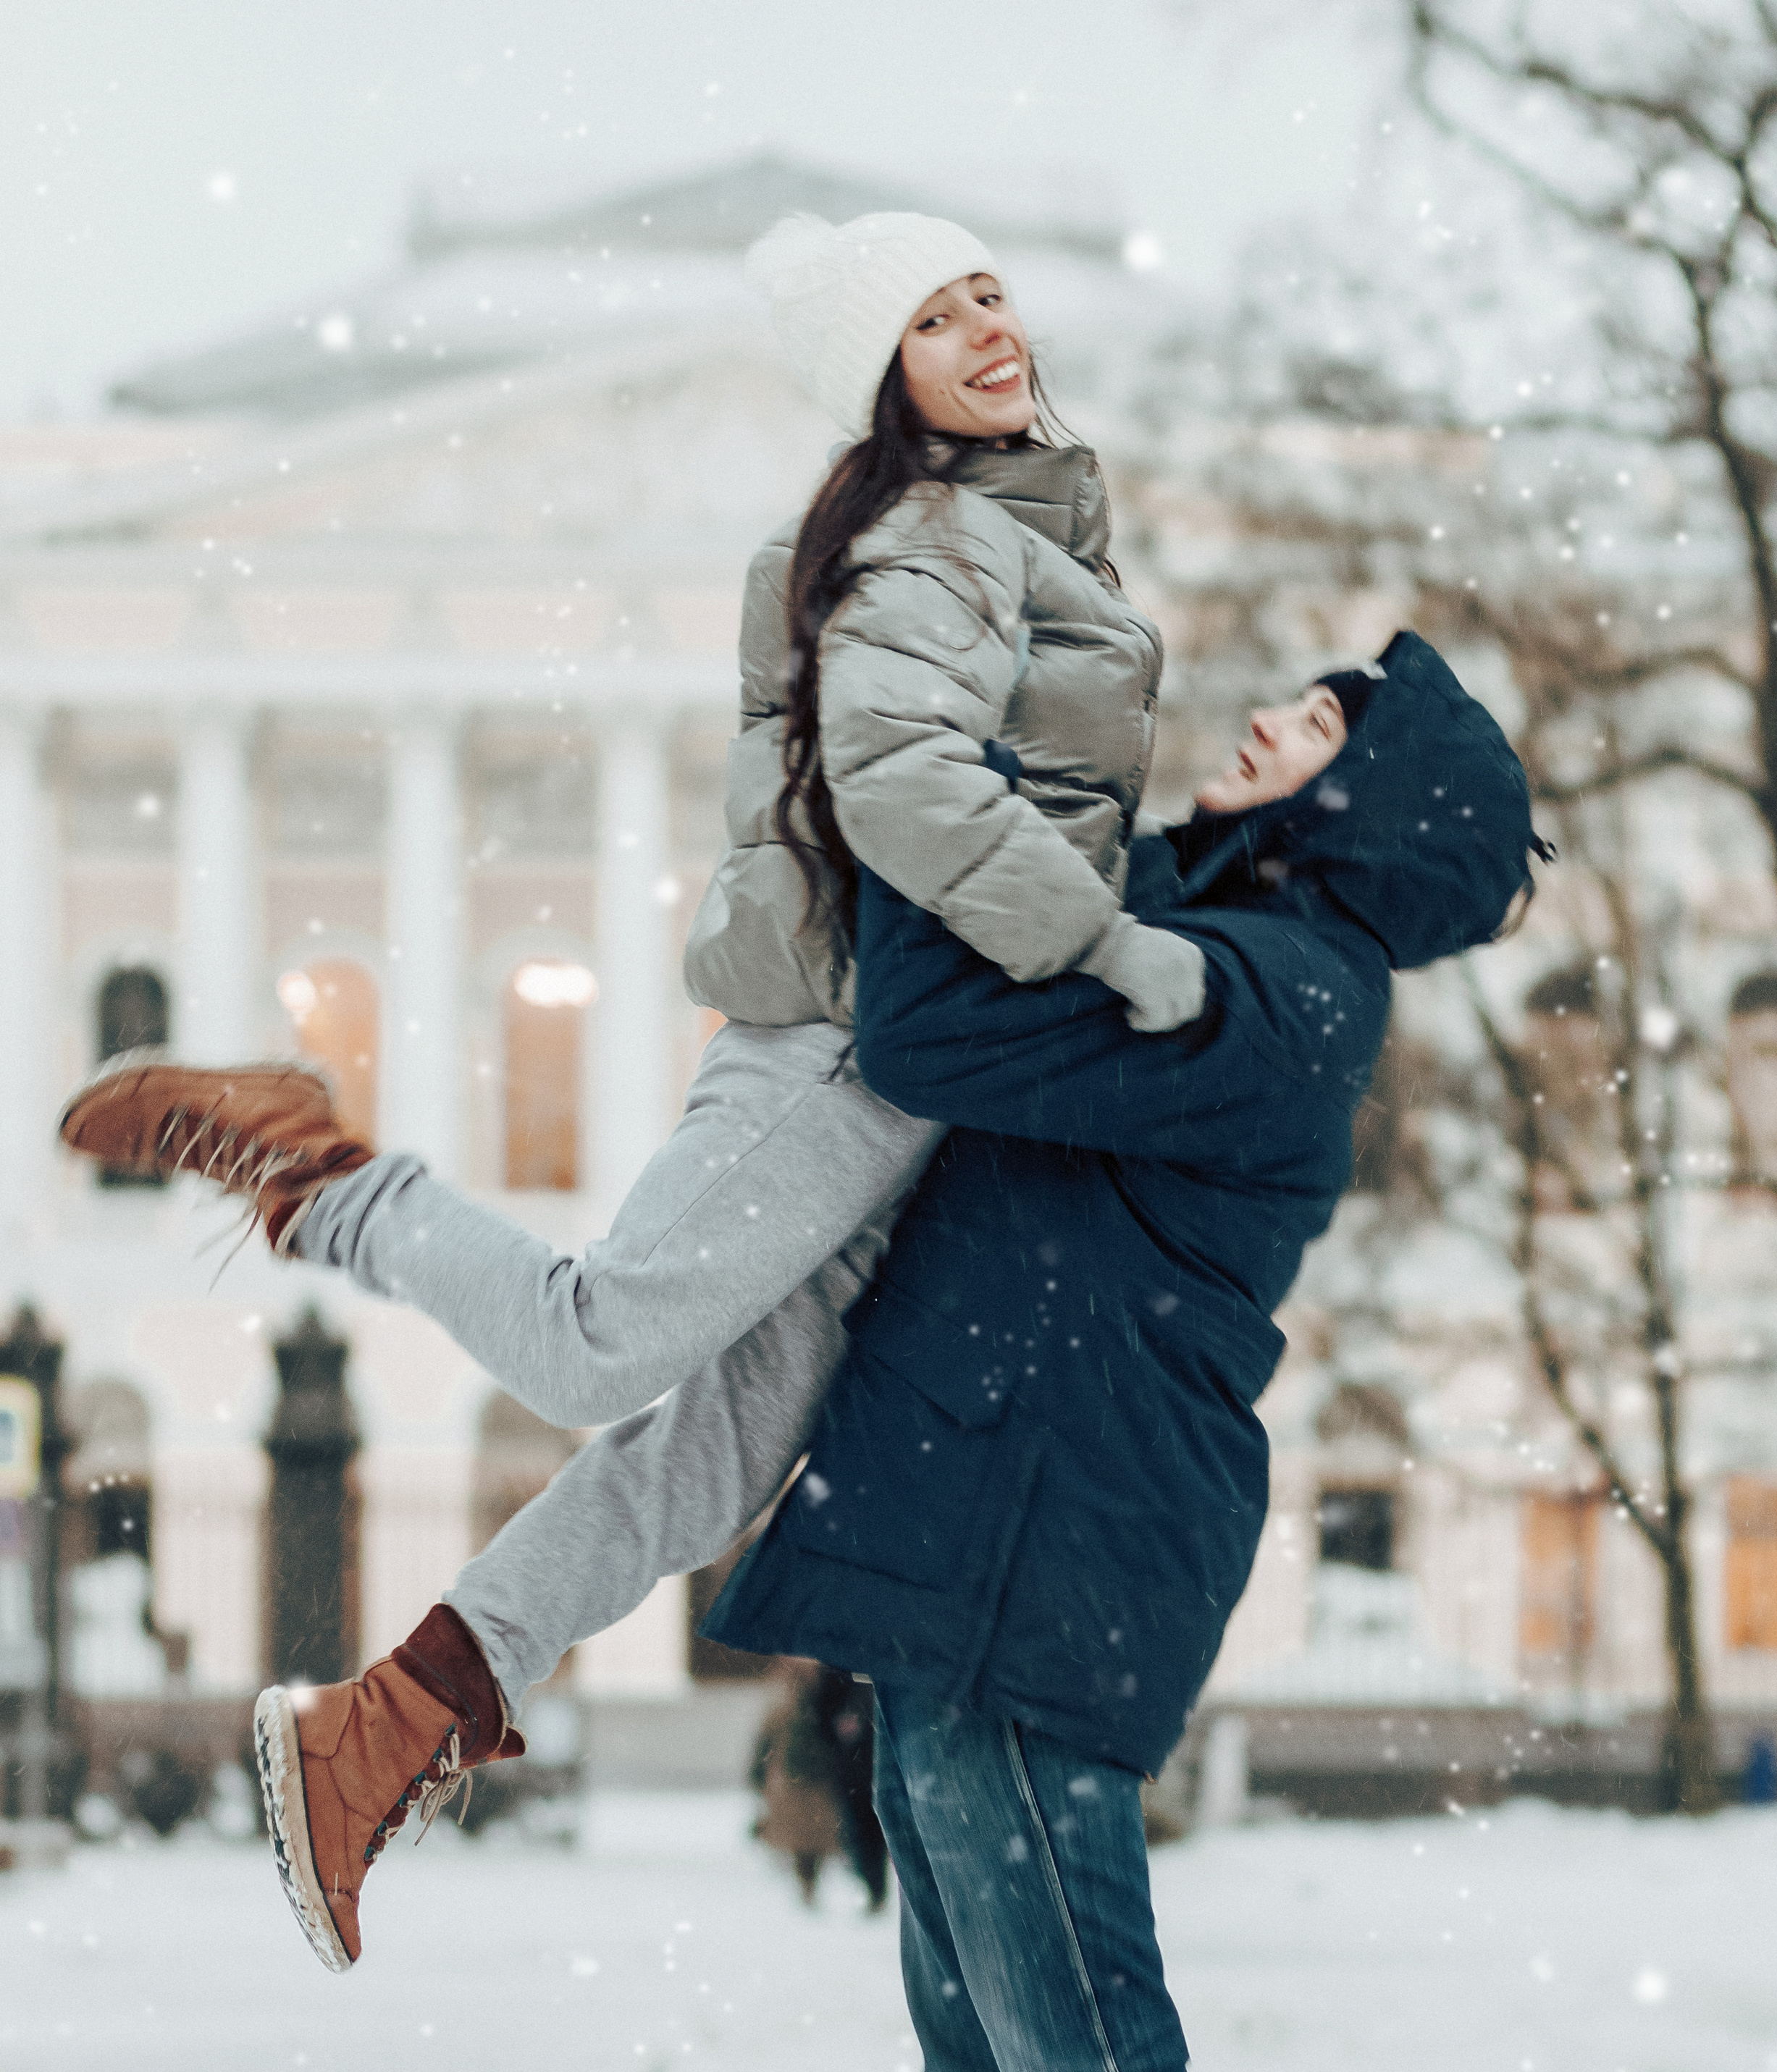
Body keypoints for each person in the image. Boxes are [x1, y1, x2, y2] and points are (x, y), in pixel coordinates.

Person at [59, 208, 1203, 1972]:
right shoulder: (936, 542)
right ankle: (312, 1160)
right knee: (593, 1344)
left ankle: (389, 1721)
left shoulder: (1031, 528)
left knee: (708, 1456)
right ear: (876, 378)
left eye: (986, 290)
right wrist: (1115, 952)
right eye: (927, 313)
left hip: (934, 1070)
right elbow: (901, 792)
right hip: (860, 1035)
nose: (982, 323)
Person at [699, 628, 1542, 2072]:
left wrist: (924, 796)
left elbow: (936, 1029)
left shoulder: (1277, 998)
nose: (1272, 718)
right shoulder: (1194, 932)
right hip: (970, 1534)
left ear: (1367, 806)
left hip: (1049, 1559)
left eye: (1325, 728)